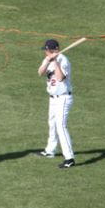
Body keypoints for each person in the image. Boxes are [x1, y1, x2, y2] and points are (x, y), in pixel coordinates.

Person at [35, 39, 76, 168]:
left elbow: (60, 78)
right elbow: (40, 73)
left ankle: (69, 158)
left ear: (54, 50)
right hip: (52, 98)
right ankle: (50, 151)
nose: (45, 52)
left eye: (47, 50)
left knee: (61, 127)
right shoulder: (47, 59)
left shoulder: (63, 60)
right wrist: (48, 61)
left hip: (63, 98)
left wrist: (55, 61)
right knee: (52, 124)